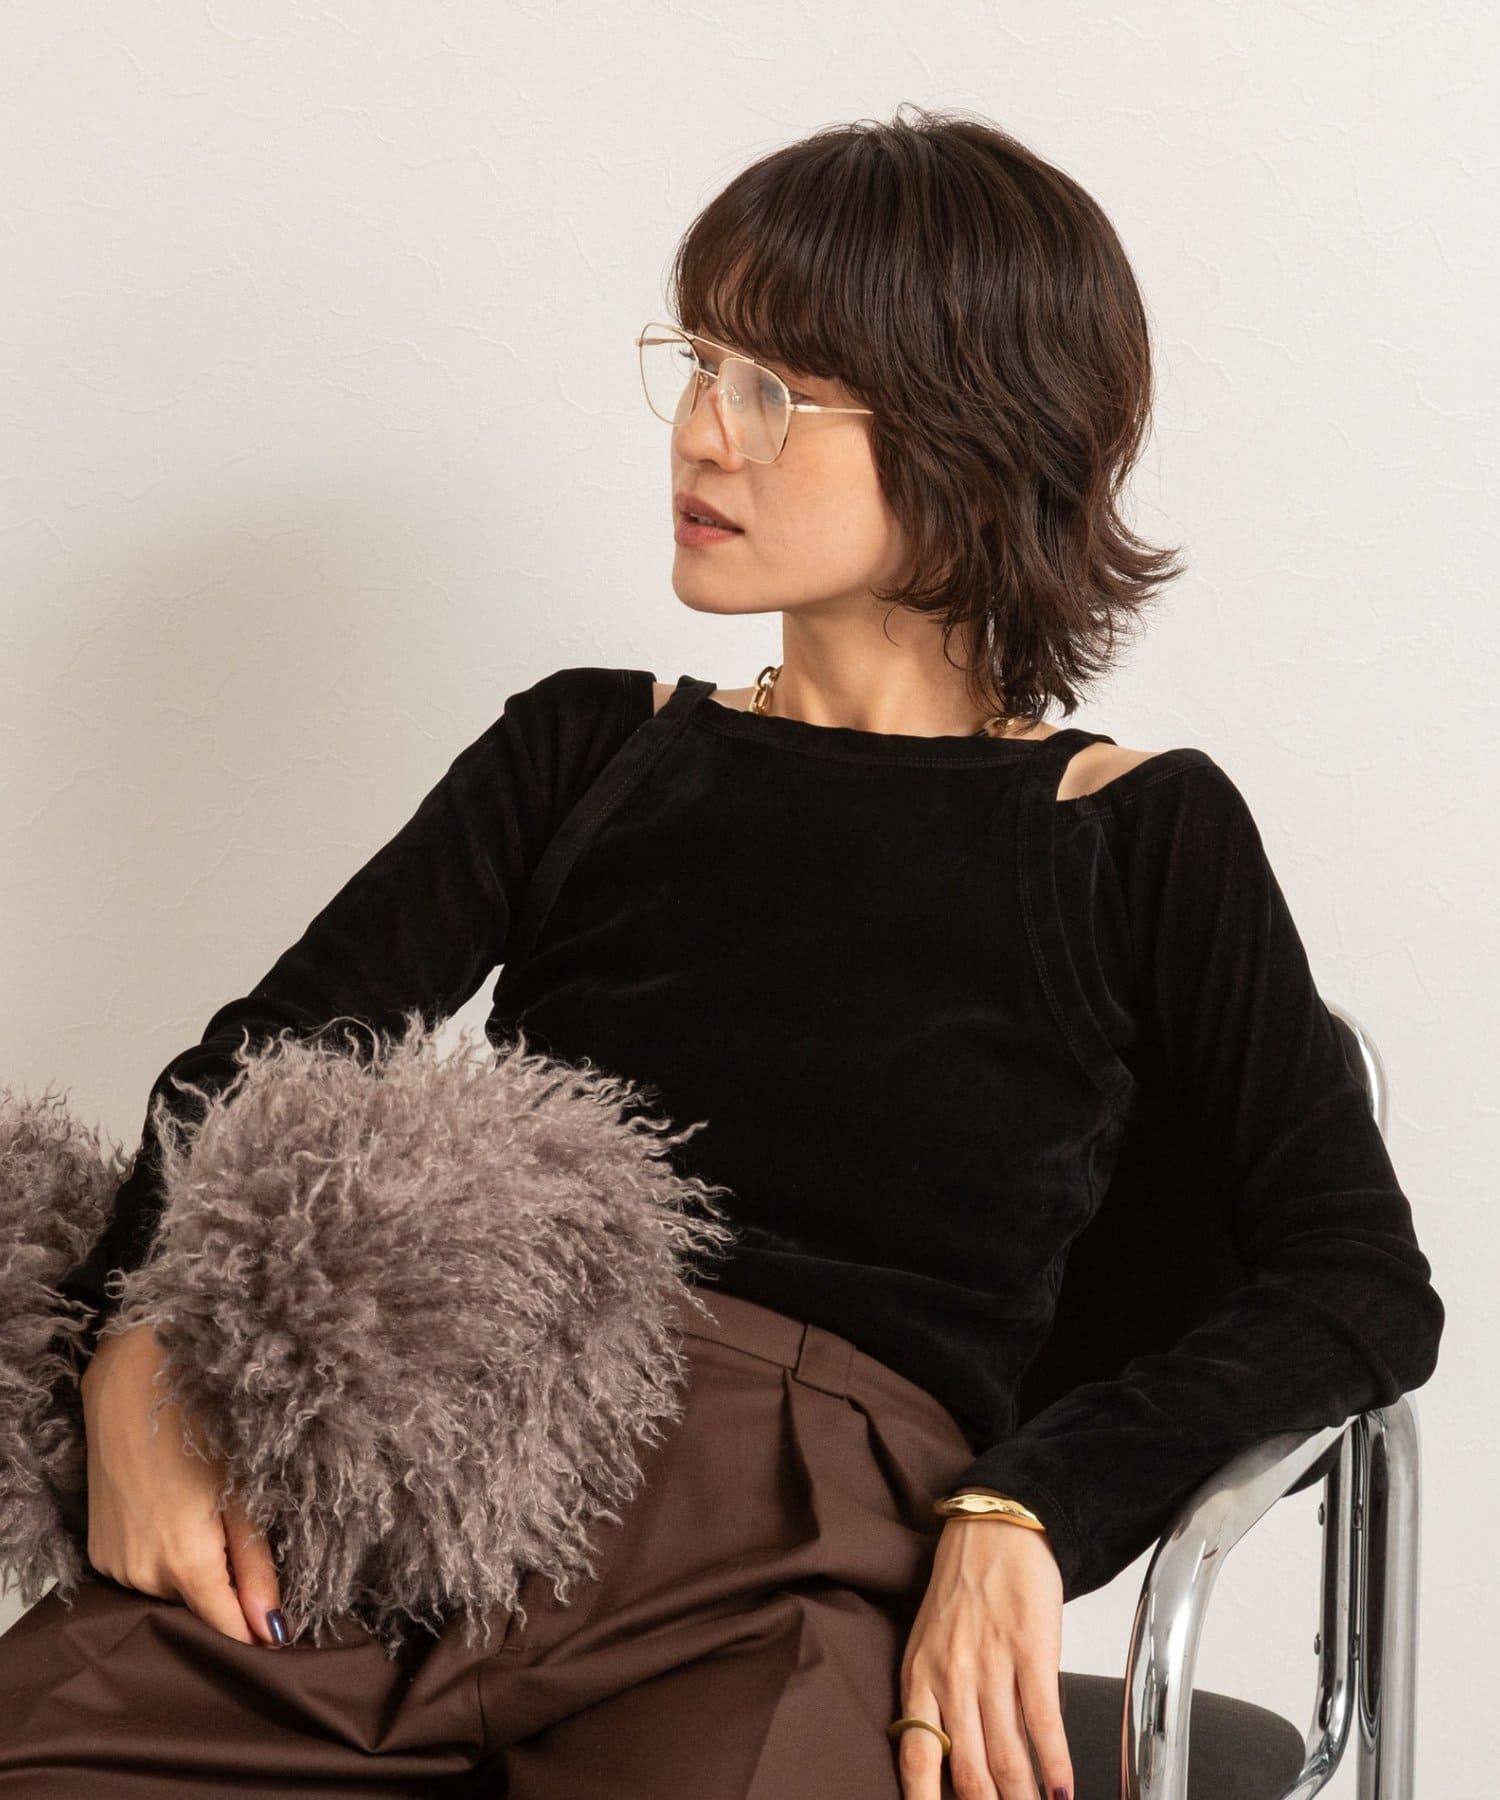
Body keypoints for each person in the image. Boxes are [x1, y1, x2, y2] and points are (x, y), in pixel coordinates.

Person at [0, 103, 1444, 1800]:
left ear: (976, 429)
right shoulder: (589, 748)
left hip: (802, 1561)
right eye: (696, 367)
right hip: (442, 1491)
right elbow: (258, 1068)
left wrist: (1031, 1506)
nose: (700, 434)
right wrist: (131, 1357)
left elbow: (1353, 1280)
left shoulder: (1133, 832)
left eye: (773, 393)